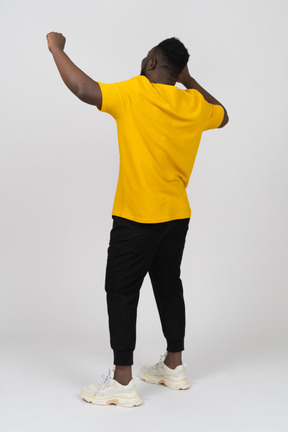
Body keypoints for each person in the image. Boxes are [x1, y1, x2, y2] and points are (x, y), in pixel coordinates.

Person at [46, 32, 229, 407]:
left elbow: (84, 89)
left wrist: (55, 47)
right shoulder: (193, 103)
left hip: (137, 217)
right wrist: (188, 80)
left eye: (146, 57)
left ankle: (122, 382)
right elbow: (224, 115)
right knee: (167, 284)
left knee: (121, 290)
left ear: (150, 64)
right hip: (176, 215)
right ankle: (174, 367)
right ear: (177, 72)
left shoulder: (135, 92)